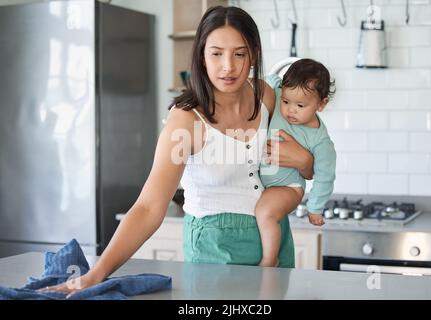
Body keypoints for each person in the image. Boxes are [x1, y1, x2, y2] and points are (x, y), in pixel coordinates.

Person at [39, 6, 314, 296]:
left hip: (276, 237)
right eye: (216, 53)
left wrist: (306, 162)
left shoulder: (266, 96)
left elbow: (302, 159)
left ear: (254, 53)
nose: (228, 67)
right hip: (216, 246)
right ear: (201, 55)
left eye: (239, 53)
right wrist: (96, 274)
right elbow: (148, 208)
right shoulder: (186, 120)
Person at [256, 59, 337, 267]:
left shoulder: (320, 140)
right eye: (286, 101)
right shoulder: (275, 92)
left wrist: (315, 208)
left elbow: (325, 176)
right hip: (258, 182)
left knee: (265, 213)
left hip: (287, 188)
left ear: (322, 104)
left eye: (300, 105)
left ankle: (270, 259)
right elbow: (271, 80)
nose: (290, 110)